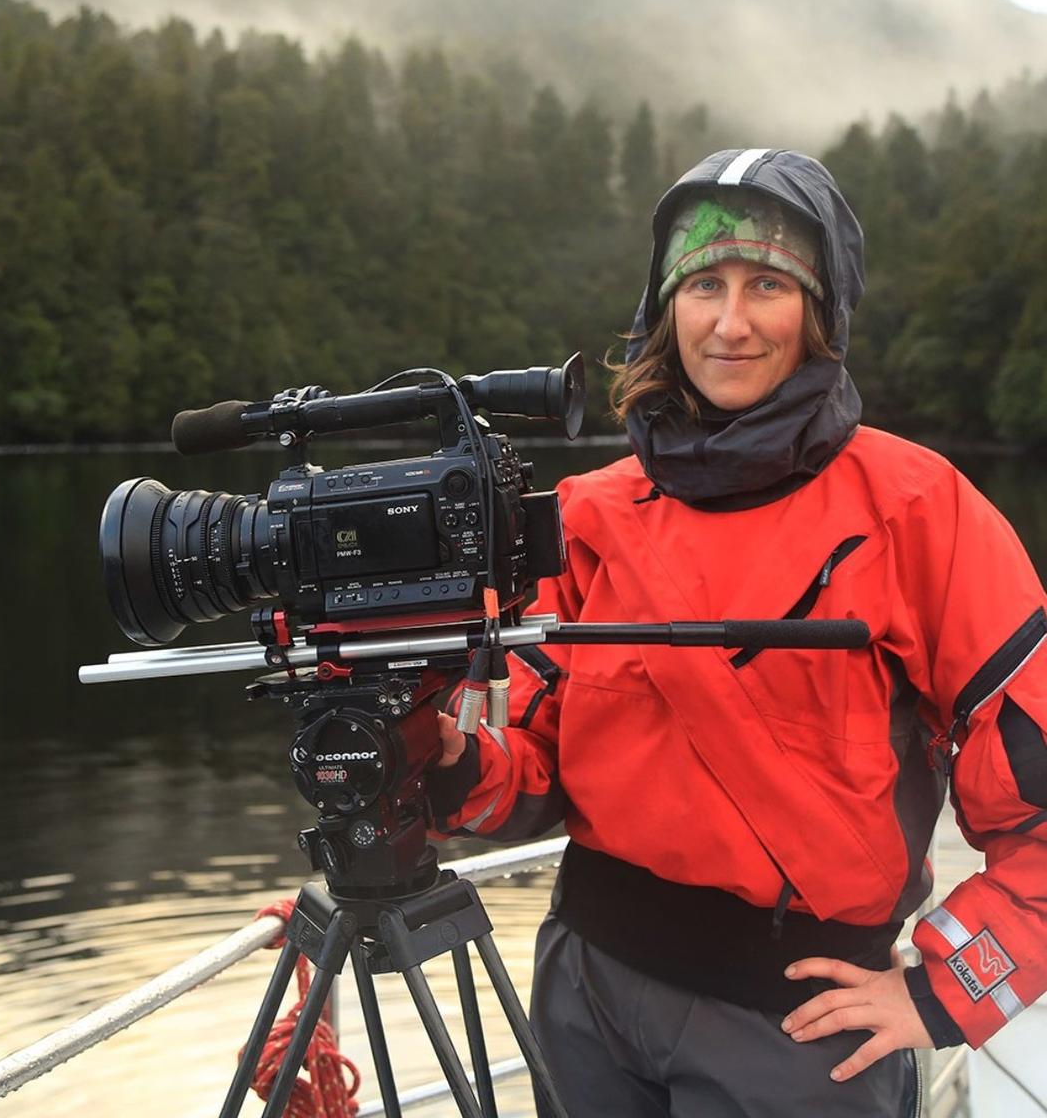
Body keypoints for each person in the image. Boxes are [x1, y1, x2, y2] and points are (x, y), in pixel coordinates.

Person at [427, 148, 1047, 1117]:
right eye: (704, 283)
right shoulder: (588, 513)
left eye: (769, 284)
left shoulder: (922, 512)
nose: (730, 321)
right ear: (662, 309)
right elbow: (536, 777)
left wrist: (940, 992)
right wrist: (441, 755)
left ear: (823, 311)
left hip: (797, 1036)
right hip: (584, 995)